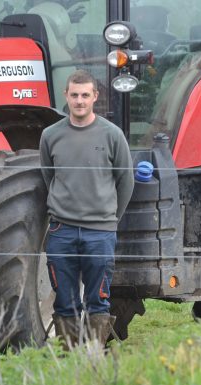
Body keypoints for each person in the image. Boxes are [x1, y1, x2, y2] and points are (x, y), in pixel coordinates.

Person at [40, 69, 134, 349]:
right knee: (64, 299)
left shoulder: (112, 135)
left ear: (95, 96)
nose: (79, 101)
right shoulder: (50, 135)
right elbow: (49, 176)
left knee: (98, 298)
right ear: (66, 97)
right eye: (74, 95)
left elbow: (125, 181)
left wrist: (109, 219)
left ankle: (93, 354)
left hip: (99, 231)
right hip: (61, 230)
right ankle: (70, 357)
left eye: (85, 95)